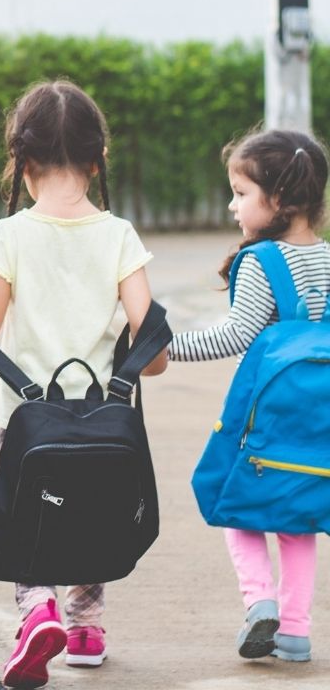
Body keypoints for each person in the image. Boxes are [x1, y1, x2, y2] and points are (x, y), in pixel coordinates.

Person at [0, 79, 167, 688]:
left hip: (26, 420)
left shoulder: (12, 235)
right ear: (98, 158)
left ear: (22, 162)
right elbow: (151, 345)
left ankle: (37, 611)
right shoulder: (120, 235)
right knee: (94, 506)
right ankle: (85, 628)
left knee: (31, 512)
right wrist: (136, 365)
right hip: (105, 416)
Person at [169, 129, 329, 663]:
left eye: (241, 192)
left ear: (278, 200)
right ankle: (297, 632)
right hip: (317, 425)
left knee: (232, 502)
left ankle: (260, 601)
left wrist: (164, 349)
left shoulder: (262, 262)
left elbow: (232, 336)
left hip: (261, 418)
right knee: (299, 517)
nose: (232, 205)